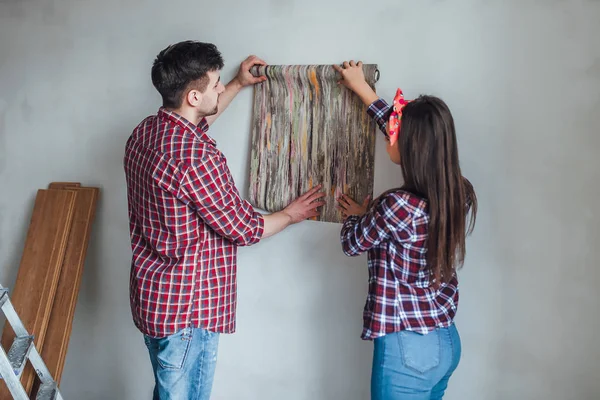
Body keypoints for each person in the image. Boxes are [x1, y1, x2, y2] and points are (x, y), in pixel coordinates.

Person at [123, 41, 325, 400]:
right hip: (186, 314)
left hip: (155, 301)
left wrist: (236, 84)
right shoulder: (197, 158)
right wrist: (291, 214)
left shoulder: (145, 133)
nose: (220, 87)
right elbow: (246, 229)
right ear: (194, 97)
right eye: (216, 83)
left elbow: (195, 125)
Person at [334, 60, 478, 400]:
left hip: (407, 350)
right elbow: (403, 131)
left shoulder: (397, 206)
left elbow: (352, 243)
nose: (391, 132)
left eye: (399, 132)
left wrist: (358, 216)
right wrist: (363, 90)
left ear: (415, 146)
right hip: (444, 341)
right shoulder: (458, 191)